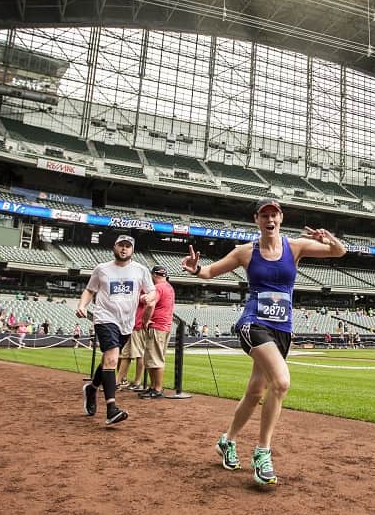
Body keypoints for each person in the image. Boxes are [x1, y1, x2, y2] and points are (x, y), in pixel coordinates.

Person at [182, 198, 345, 486]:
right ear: (257, 219)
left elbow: (339, 252)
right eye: (265, 214)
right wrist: (195, 268)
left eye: (275, 214)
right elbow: (208, 273)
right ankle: (263, 452)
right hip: (254, 323)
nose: (270, 218)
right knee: (281, 382)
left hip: (283, 329)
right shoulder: (245, 252)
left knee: (257, 390)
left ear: (281, 218)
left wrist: (328, 239)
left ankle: (227, 441)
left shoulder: (296, 246)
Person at [75, 235, 155, 426]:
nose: (124, 249)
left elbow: (152, 291)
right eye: (121, 245)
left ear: (132, 250)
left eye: (128, 246)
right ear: (115, 247)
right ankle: (111, 408)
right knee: (112, 358)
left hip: (126, 323)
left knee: (107, 360)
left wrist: (148, 298)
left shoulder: (141, 270)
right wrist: (83, 305)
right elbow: (89, 290)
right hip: (104, 318)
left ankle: (92, 388)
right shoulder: (101, 269)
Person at [141, 265, 176, 398]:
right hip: (164, 325)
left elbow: (150, 304)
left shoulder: (158, 288)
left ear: (153, 275)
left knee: (155, 359)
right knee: (152, 358)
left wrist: (145, 321)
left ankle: (157, 388)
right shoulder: (168, 287)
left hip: (157, 326)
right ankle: (153, 386)